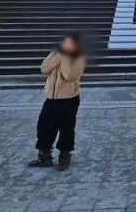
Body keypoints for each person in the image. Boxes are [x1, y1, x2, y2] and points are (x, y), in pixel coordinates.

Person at [28, 33, 86, 171]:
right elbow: (44, 68)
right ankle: (44, 156)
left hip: (68, 99)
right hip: (51, 98)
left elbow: (68, 75)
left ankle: (64, 157)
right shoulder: (56, 53)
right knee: (44, 127)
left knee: (66, 128)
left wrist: (64, 57)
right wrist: (59, 56)